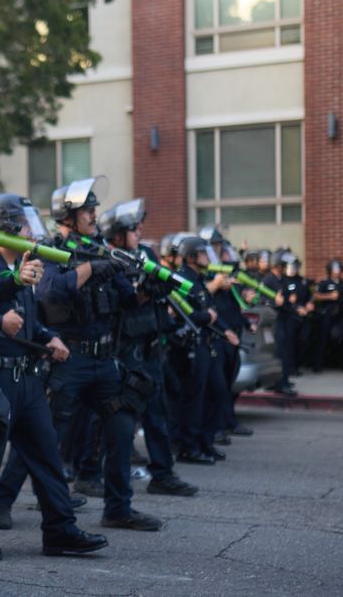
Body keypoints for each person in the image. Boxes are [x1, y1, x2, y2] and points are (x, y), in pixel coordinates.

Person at [0, 193, 107, 557]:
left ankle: (60, 530)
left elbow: (29, 321)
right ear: (5, 227)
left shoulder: (28, 264)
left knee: (46, 454)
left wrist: (47, 337)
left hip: (27, 378)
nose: (33, 233)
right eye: (25, 225)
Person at [37, 177, 162, 531]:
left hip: (105, 359)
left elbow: (127, 298)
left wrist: (149, 288)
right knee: (46, 436)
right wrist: (91, 267)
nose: (94, 215)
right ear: (68, 214)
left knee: (121, 429)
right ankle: (8, 502)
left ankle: (119, 508)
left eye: (94, 209)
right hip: (69, 358)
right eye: (88, 210)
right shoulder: (52, 247)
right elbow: (50, 290)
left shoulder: (102, 247)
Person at [106, 202, 199, 496]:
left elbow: (160, 285)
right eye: (133, 228)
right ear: (118, 234)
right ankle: (92, 474)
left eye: (138, 226)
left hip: (149, 344)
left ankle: (163, 474)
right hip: (125, 348)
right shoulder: (112, 257)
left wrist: (160, 288)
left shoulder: (144, 254)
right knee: (116, 419)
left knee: (157, 414)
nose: (139, 231)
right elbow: (123, 301)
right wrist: (145, 292)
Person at [169, 235, 236, 465]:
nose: (208, 257)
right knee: (193, 398)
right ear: (190, 257)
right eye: (203, 253)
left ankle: (205, 442)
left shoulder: (199, 279)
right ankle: (188, 446)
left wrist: (226, 330)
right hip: (192, 348)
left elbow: (212, 310)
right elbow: (181, 313)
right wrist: (207, 317)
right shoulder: (181, 279)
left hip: (208, 345)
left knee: (217, 391)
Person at [198, 226, 253, 441]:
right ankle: (216, 427)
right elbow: (200, 297)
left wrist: (245, 297)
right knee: (217, 385)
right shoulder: (204, 273)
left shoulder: (229, 268)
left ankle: (229, 421)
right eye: (212, 245)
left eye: (218, 244)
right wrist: (217, 284)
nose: (216, 249)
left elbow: (238, 301)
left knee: (230, 380)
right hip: (216, 334)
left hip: (233, 330)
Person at [271, 252, 311, 396]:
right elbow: (262, 298)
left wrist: (297, 307)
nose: (285, 268)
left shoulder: (281, 280)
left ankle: (284, 380)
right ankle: (280, 382)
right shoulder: (270, 279)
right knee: (281, 352)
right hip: (277, 320)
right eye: (282, 265)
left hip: (286, 318)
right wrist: (275, 302)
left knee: (286, 351)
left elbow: (287, 301)